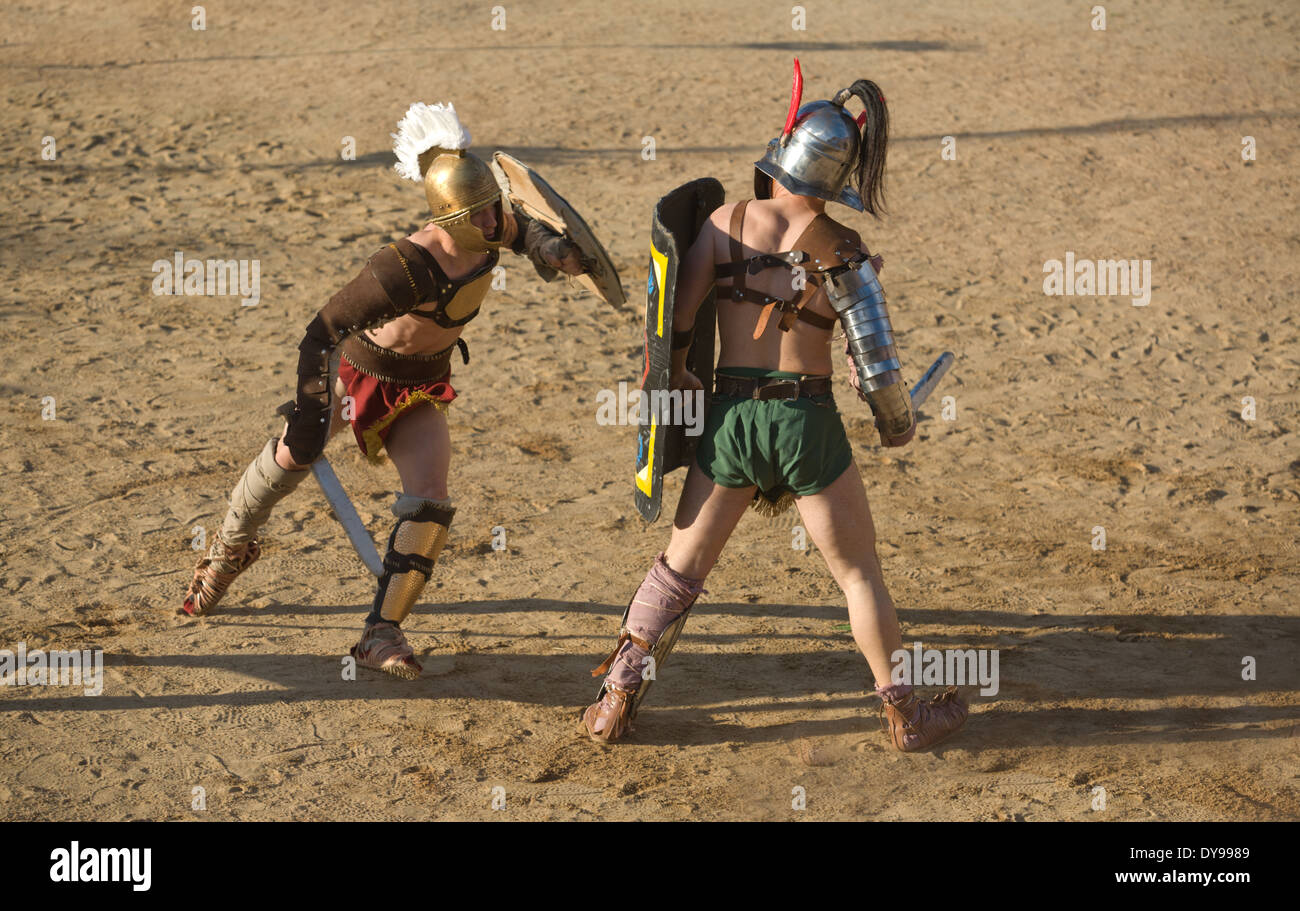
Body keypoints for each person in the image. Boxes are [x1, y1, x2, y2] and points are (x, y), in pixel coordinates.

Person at [583, 70, 968, 751]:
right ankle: (906, 716)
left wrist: (685, 389)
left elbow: (674, 327)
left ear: (782, 153)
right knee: (858, 575)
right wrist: (897, 425)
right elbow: (878, 374)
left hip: (731, 423)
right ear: (838, 175)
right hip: (805, 425)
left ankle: (615, 698)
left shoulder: (720, 223)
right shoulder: (844, 249)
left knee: (677, 572)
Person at [182, 102, 585, 679]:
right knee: (294, 455)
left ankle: (380, 633)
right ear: (451, 217)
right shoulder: (402, 267)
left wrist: (553, 249)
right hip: (356, 376)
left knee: (430, 500)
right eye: (481, 216)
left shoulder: (493, 225)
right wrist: (312, 410)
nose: (494, 224)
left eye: (494, 209)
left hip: (420, 385)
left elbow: (525, 232)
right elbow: (321, 332)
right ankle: (227, 552)